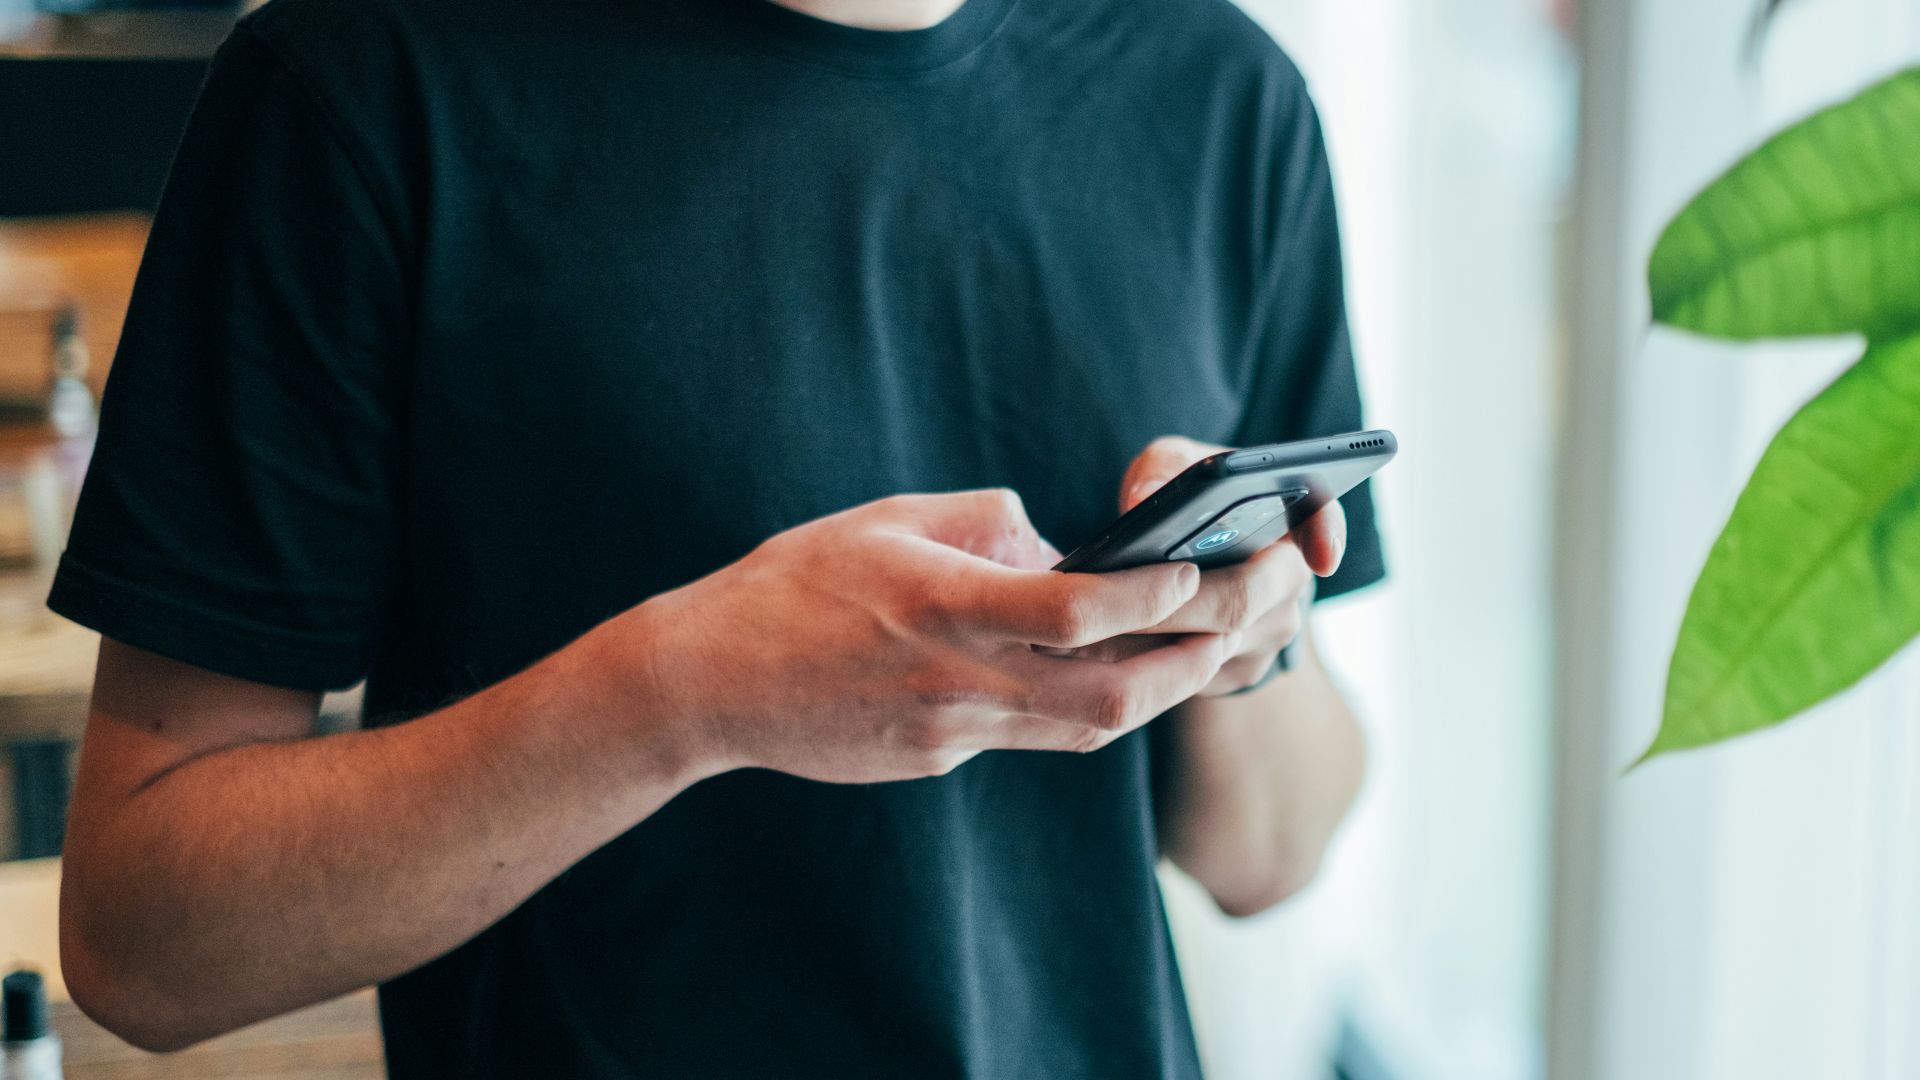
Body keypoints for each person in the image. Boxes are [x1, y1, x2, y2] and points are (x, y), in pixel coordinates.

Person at [48, 0, 1384, 1075]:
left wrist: (1246, 643)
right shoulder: (359, 80)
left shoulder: (1225, 96)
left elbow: (1266, 856)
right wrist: (686, 695)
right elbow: (151, 942)